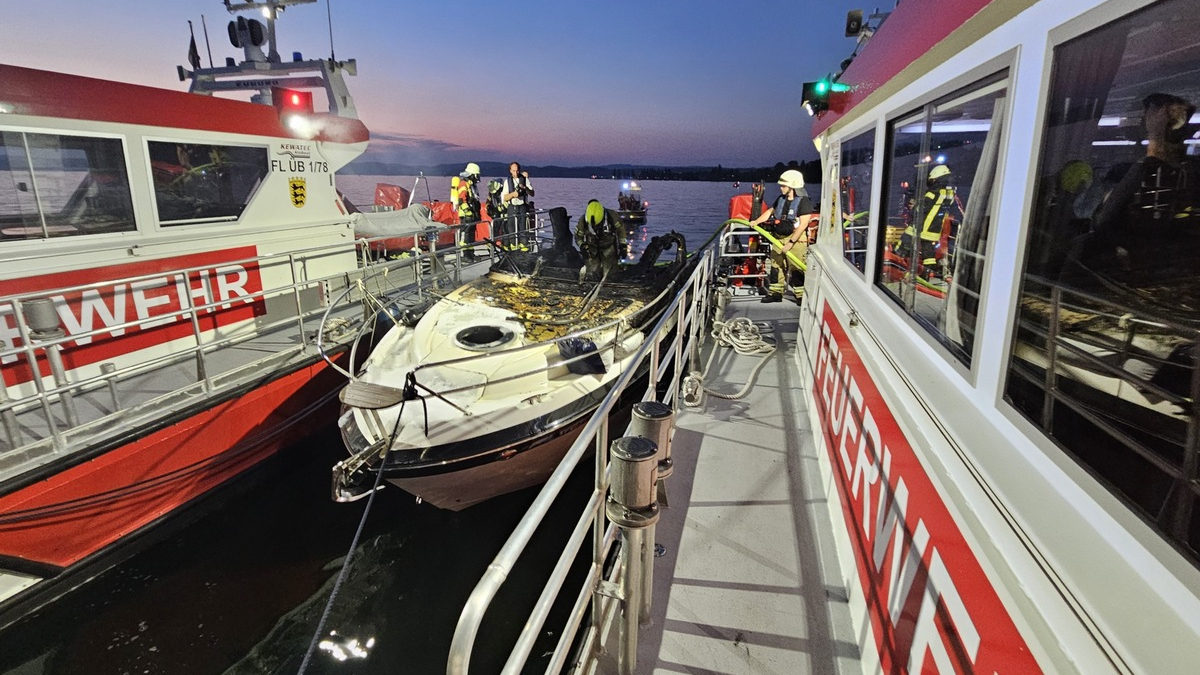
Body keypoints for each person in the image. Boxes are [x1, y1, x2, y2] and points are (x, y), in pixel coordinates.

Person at [1086, 92, 1200, 285]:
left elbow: (1103, 223)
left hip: (1148, 278)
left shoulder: (1140, 170)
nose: (1139, 119)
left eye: (1146, 114)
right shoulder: (1191, 171)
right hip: (1178, 277)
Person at [750, 169, 814, 303]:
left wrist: (790, 243)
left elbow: (803, 224)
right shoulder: (781, 199)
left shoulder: (804, 202)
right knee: (776, 265)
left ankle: (800, 295)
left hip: (796, 240)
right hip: (778, 238)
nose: (781, 188)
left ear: (792, 186)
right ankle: (775, 293)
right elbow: (770, 211)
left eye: (784, 186)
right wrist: (756, 221)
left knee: (796, 266)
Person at [897, 164, 961, 272]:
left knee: (905, 240)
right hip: (934, 228)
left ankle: (897, 261)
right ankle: (927, 271)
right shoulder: (949, 193)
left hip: (922, 225)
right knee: (928, 250)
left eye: (933, 180)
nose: (932, 181)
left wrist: (914, 209)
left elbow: (921, 208)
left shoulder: (932, 193)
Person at [575, 199, 626, 282]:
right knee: (592, 273)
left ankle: (609, 283)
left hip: (609, 247)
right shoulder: (583, 221)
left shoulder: (612, 216)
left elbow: (621, 230)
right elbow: (578, 236)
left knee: (611, 274)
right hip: (592, 249)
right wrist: (582, 246)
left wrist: (623, 245)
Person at [451, 162, 481, 261]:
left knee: (471, 235)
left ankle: (471, 253)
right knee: (465, 235)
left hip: (472, 214)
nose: (477, 177)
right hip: (466, 215)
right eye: (476, 175)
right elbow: (461, 199)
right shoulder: (464, 184)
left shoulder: (471, 185)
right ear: (472, 175)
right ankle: (465, 255)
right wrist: (468, 210)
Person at [502, 162, 535, 248]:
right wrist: (513, 194)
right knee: (512, 229)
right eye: (513, 171)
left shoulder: (524, 179)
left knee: (523, 228)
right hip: (512, 207)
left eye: (517, 171)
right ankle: (514, 248)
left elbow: (532, 193)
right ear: (510, 171)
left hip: (522, 207)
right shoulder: (507, 182)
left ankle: (524, 247)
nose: (515, 173)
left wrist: (525, 188)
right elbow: (505, 198)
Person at [486, 179, 507, 245]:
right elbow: (489, 202)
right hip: (496, 214)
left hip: (504, 214)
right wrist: (489, 209)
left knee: (505, 230)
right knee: (495, 230)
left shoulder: (503, 191)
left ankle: (503, 244)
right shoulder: (491, 193)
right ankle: (491, 244)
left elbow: (505, 203)